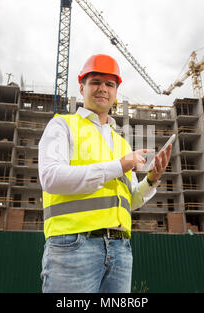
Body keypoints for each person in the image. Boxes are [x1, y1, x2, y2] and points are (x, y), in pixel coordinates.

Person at [38, 54, 172, 293]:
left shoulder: (121, 143)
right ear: (82, 87)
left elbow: (129, 201)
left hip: (120, 249)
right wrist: (119, 166)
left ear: (116, 93)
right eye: (95, 82)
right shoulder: (62, 126)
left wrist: (152, 179)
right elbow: (50, 178)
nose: (103, 89)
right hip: (73, 246)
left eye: (110, 84)